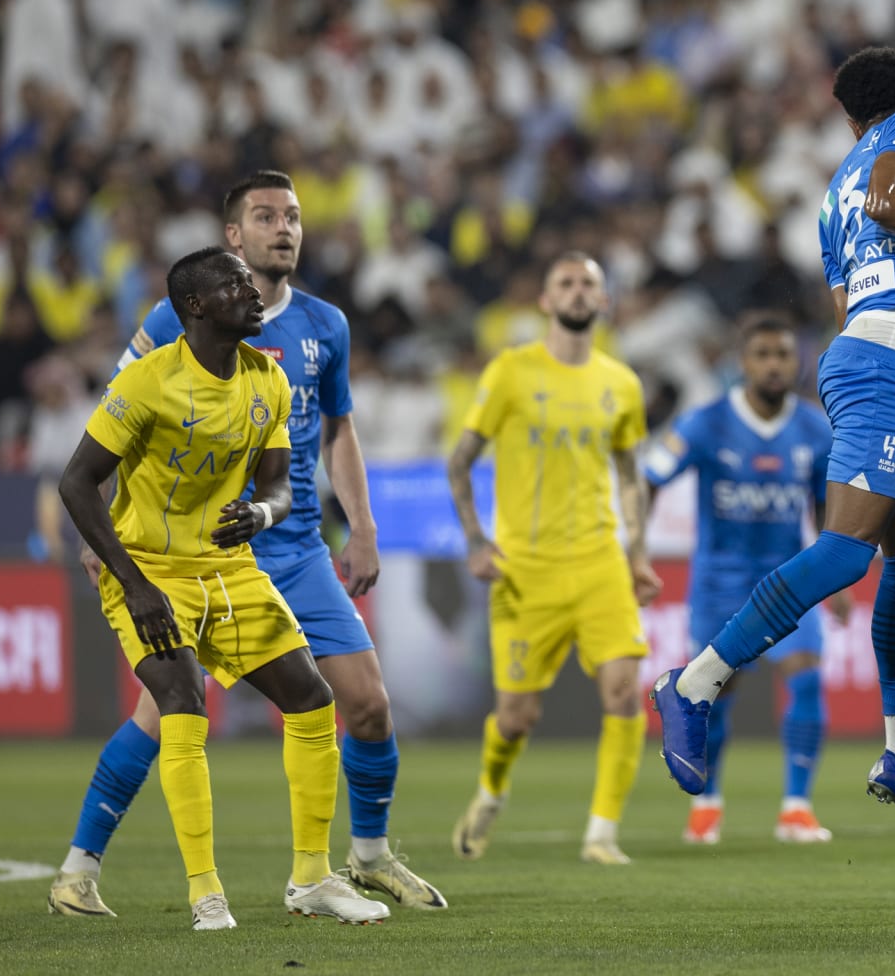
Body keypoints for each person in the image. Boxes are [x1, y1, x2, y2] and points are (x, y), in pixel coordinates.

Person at [50, 172, 443, 917]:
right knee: (166, 715)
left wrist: (361, 526)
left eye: (293, 215)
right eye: (266, 216)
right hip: (185, 551)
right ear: (233, 236)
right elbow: (115, 420)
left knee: (365, 704)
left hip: (290, 543)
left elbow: (338, 431)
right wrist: (110, 541)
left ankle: (366, 857)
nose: (285, 228)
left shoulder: (325, 325)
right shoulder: (177, 317)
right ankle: (81, 866)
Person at [652, 46, 895, 849]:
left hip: (879, 354)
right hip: (887, 365)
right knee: (850, 553)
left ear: (848, 118)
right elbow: (893, 200)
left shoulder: (828, 194)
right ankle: (693, 684)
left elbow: (852, 292)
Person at [447, 252, 660, 866]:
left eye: (588, 283)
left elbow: (630, 476)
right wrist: (475, 541)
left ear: (603, 301)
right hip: (524, 569)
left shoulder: (621, 383)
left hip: (598, 561)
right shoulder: (510, 372)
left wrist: (638, 554)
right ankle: (490, 790)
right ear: (544, 300)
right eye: (564, 282)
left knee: (624, 692)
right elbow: (460, 461)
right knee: (516, 717)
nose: (575, 291)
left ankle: (601, 833)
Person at [642, 313, 843, 846]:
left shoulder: (815, 428)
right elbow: (649, 478)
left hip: (788, 582)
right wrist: (635, 552)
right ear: (743, 363)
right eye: (763, 355)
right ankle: (706, 805)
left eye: (783, 354)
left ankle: (797, 807)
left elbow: (827, 508)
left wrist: (836, 580)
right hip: (720, 583)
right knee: (717, 692)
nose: (774, 365)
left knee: (806, 675)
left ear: (797, 360)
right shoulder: (704, 423)